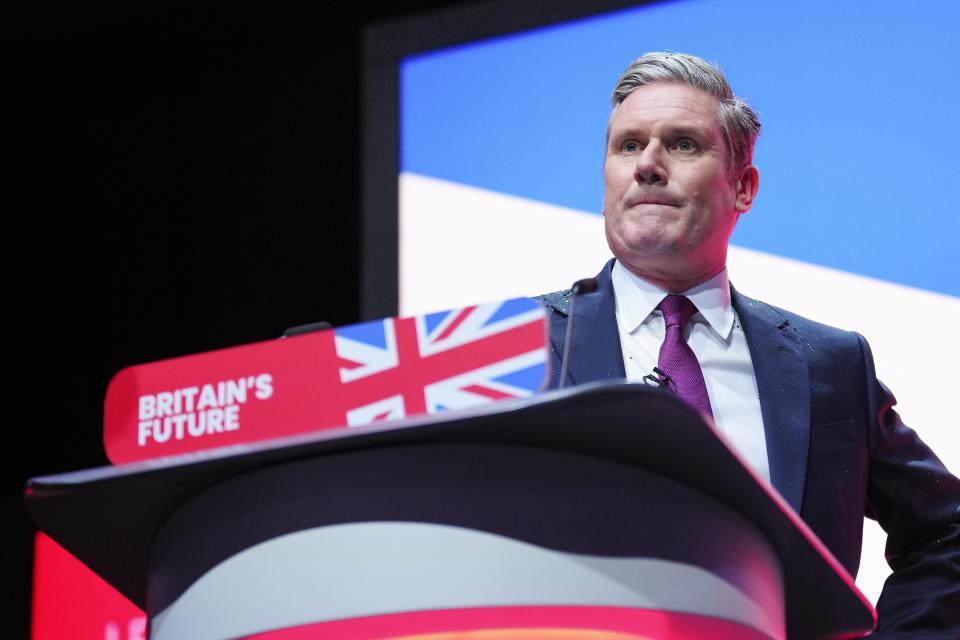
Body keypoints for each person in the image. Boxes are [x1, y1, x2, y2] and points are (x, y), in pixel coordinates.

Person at [538, 52, 959, 638]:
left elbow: (947, 532)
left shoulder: (828, 365)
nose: (648, 166)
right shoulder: (521, 347)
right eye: (628, 145)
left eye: (682, 144)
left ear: (744, 187)